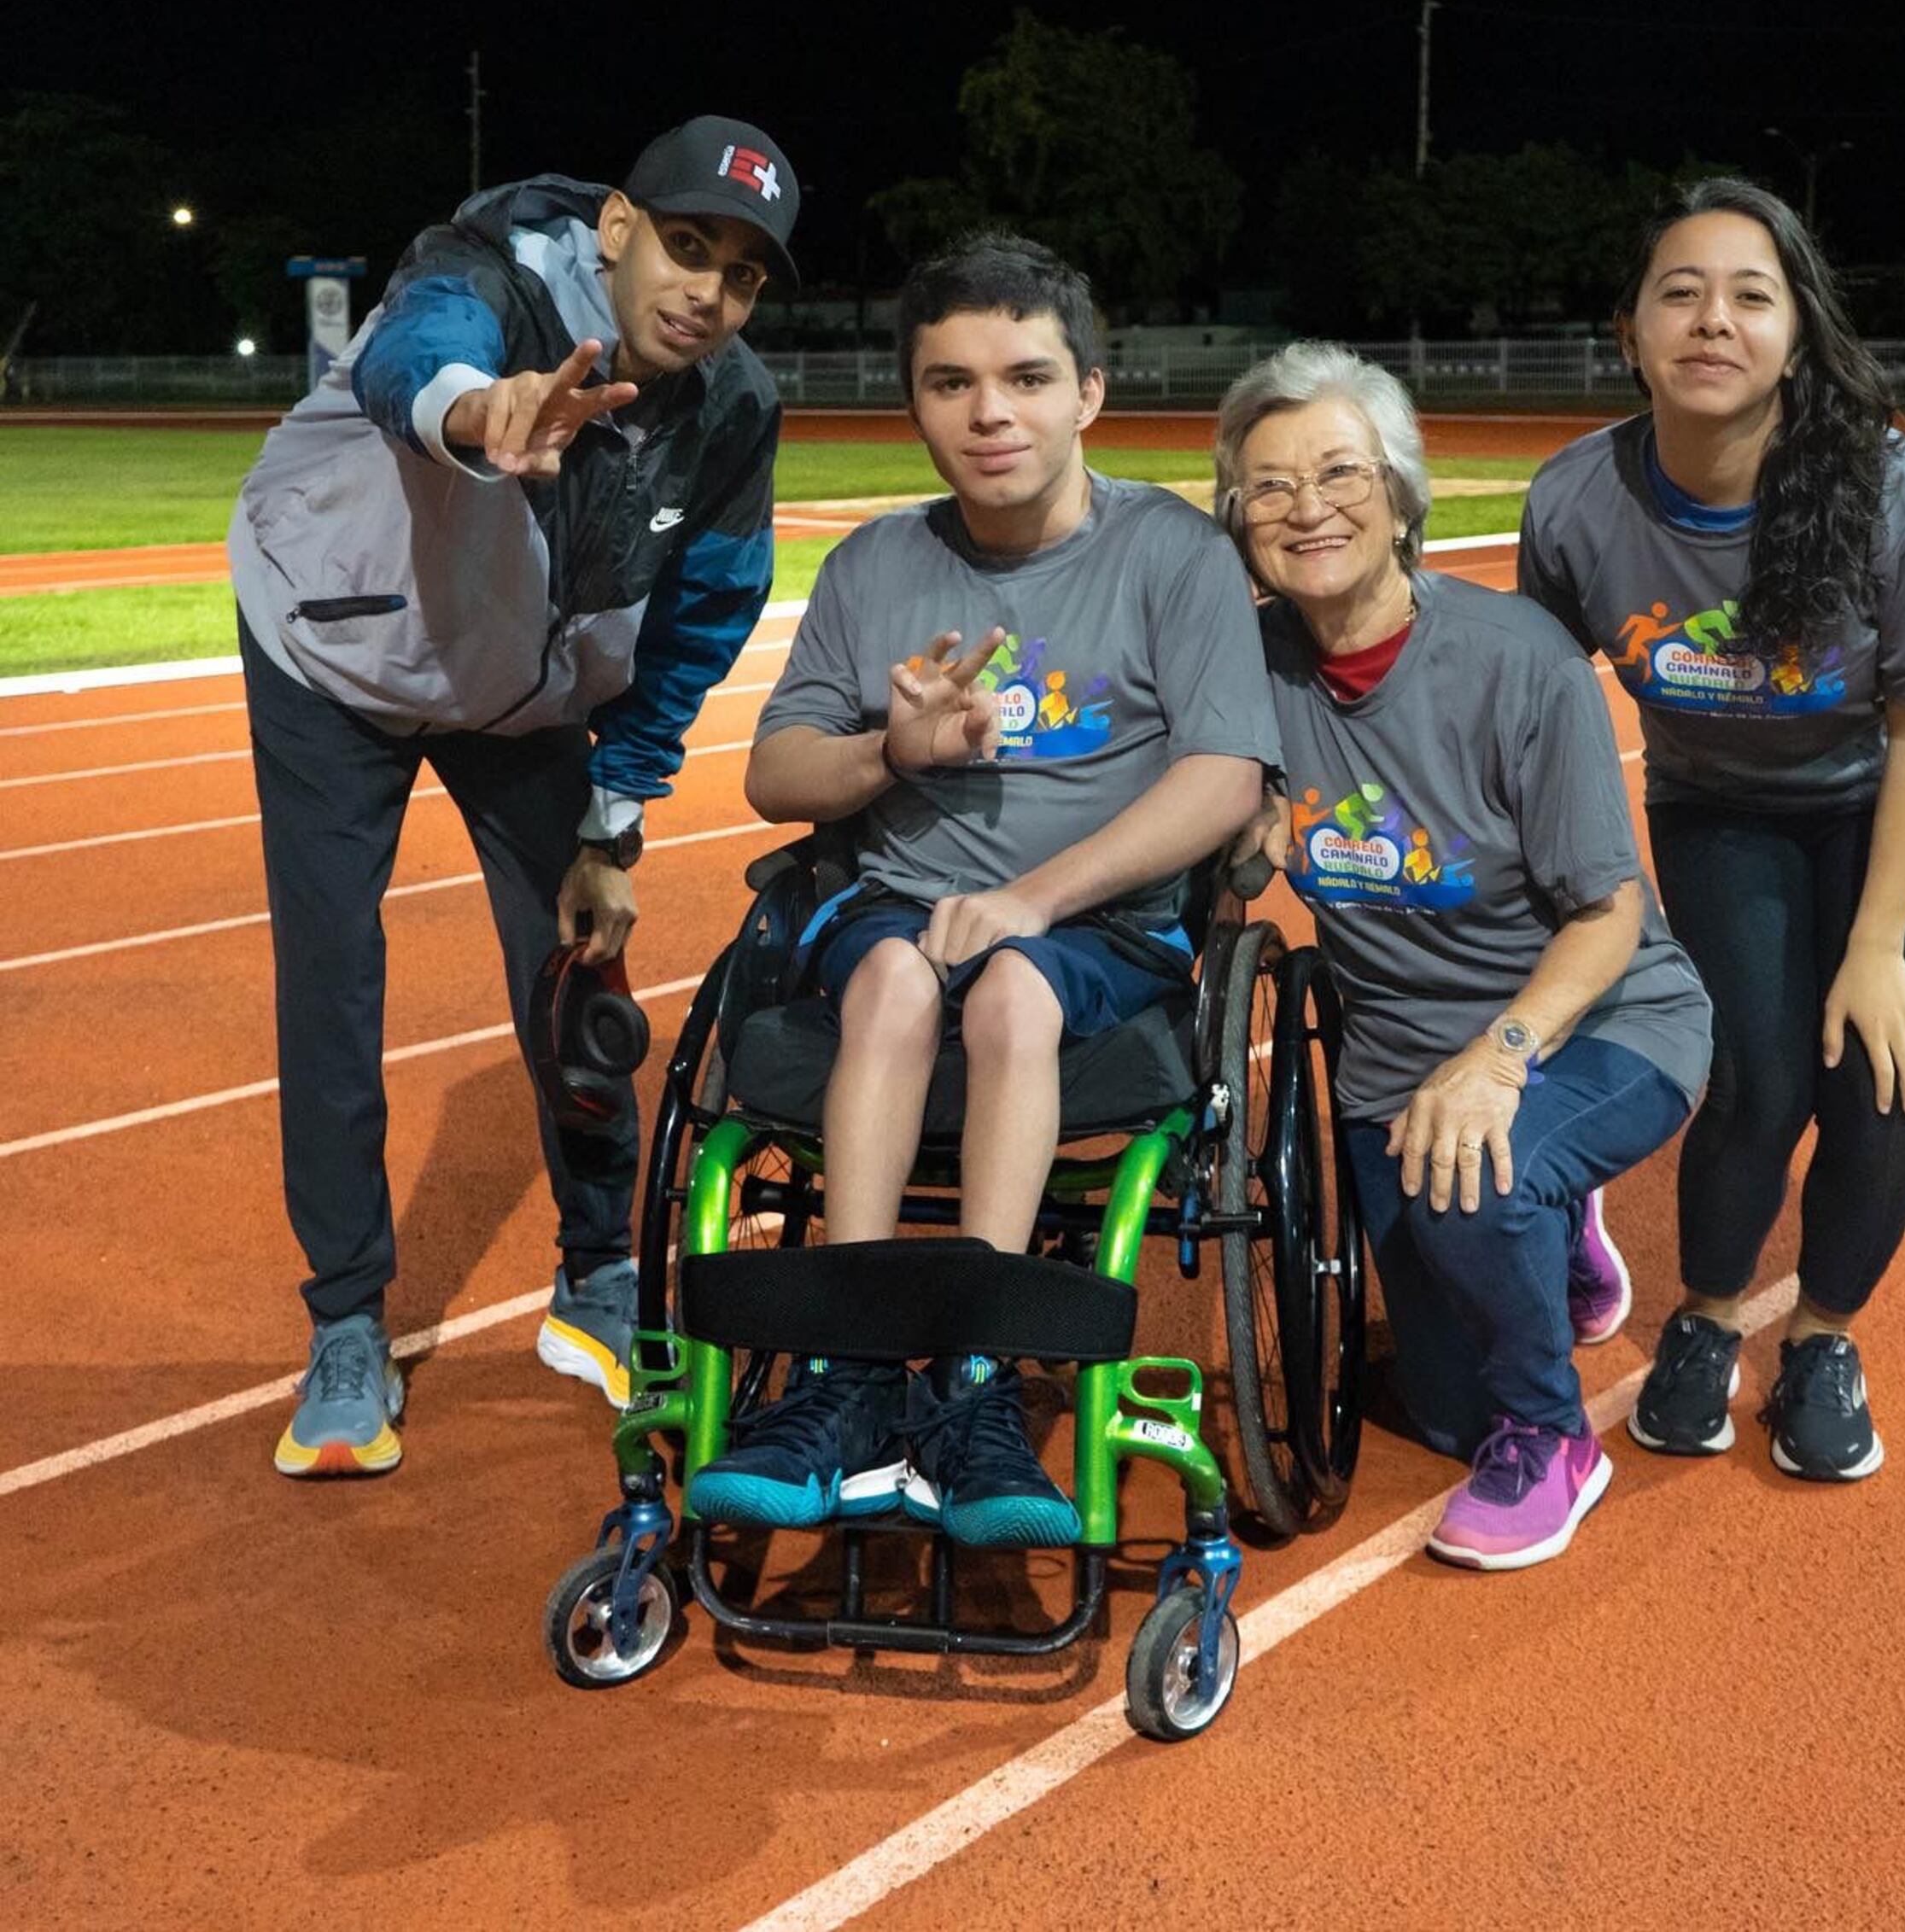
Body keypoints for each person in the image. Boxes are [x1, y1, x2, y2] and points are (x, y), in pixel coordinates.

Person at [227, 114, 800, 1477]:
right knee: (332, 977)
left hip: (525, 687)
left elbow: (704, 616)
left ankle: (600, 1272)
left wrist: (617, 811)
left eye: (743, 270)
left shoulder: (733, 409)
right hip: (337, 649)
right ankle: (348, 1321)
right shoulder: (475, 276)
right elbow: (416, 359)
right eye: (685, 243)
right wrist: (483, 411)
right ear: (616, 226)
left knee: (580, 972)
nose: (706, 288)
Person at [691, 232, 1277, 1546]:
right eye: (950, 383)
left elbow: (1227, 775)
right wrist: (890, 750)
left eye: (1024, 376)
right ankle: (850, 1370)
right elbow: (772, 774)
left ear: (1090, 394)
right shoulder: (874, 565)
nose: (990, 411)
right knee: (896, 975)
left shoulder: (1172, 556)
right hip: (899, 905)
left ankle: (977, 1377)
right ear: (915, 403)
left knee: (1012, 994)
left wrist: (1036, 897)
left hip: (1101, 925)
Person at [1518, 177, 1905, 1482]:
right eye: (1679, 292)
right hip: (1717, 802)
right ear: (1630, 332)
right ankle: (1708, 1314)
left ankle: (1824, 1337)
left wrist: (1880, 944)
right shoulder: (1574, 504)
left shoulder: (1900, 494)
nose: (1712, 320)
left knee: (1877, 1078)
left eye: (1750, 294)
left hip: (1892, 799)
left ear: (1797, 327)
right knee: (1750, 1079)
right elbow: (1541, 701)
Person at [1214, 344, 1714, 1572]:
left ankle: (1554, 1441)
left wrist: (1500, 1058)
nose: (1307, 507)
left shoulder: (1520, 661)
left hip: (1595, 1020)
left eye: (1339, 472)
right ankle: (1556, 1232)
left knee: (1480, 1179)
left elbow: (1602, 914)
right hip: (1397, 1061)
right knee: (1436, 1405)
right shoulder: (1245, 666)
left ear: (1399, 493)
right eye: (1268, 487)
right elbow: (1213, 851)